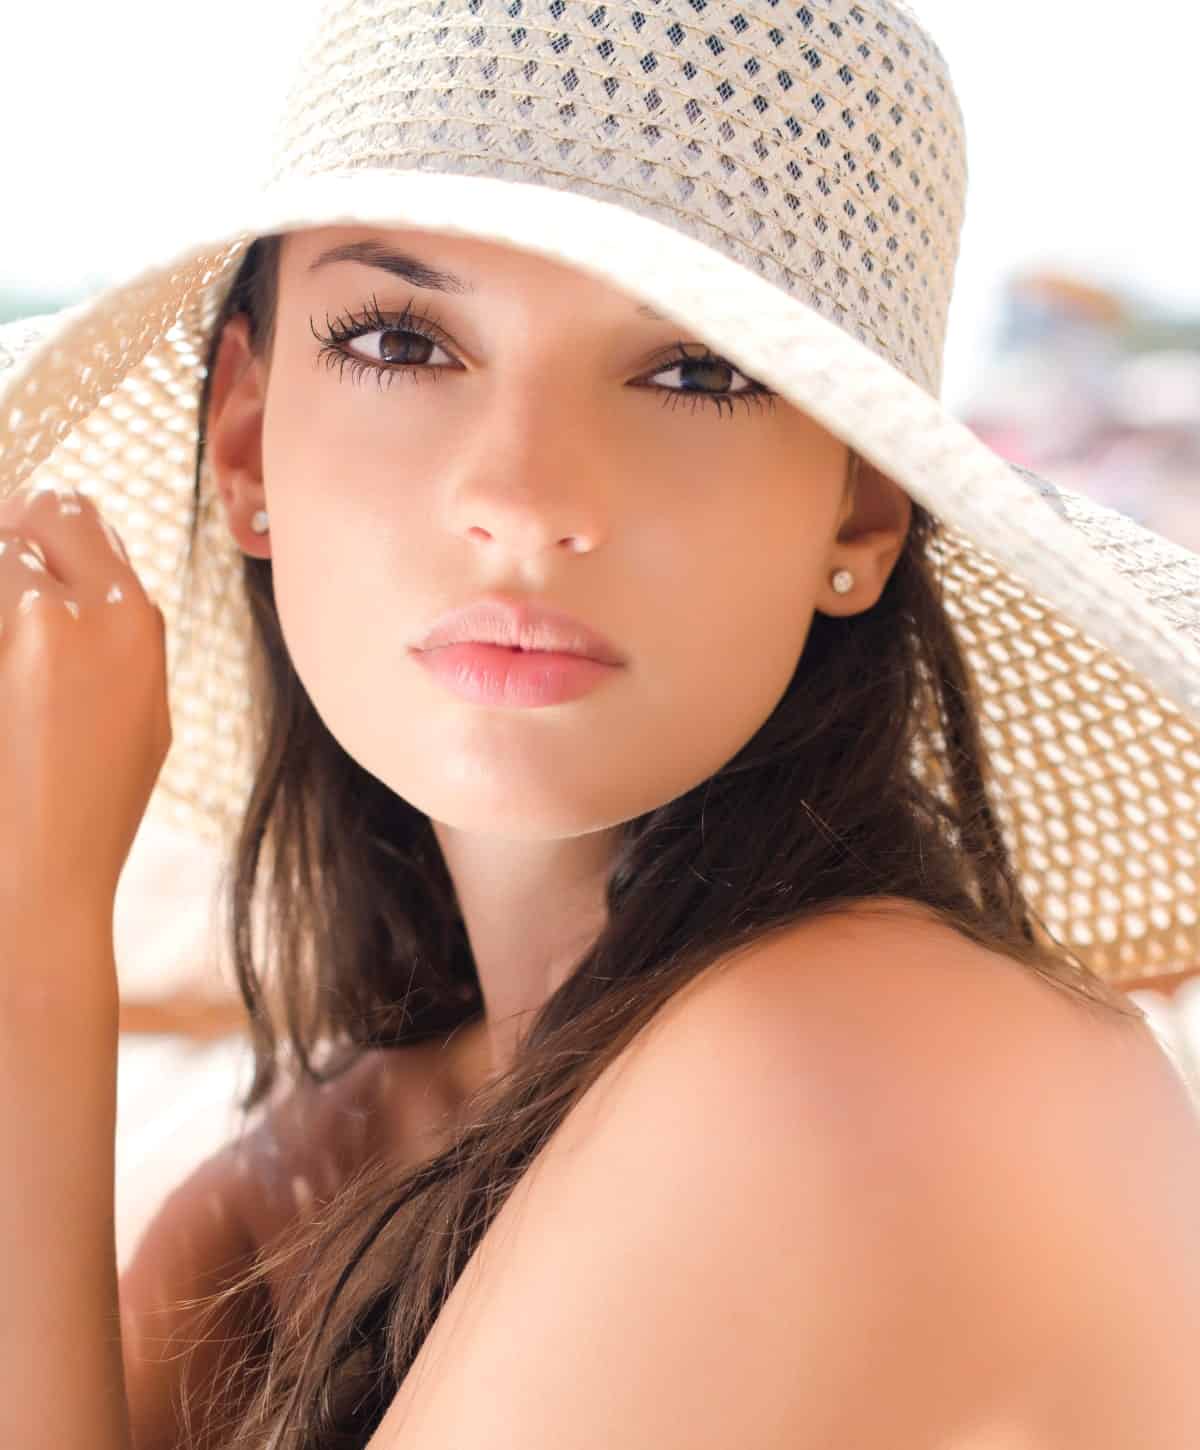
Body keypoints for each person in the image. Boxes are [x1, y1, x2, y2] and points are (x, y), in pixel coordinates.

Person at [2, 1, 1200, 1446]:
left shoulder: (871, 1065)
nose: (524, 500)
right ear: (248, 443)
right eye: (401, 339)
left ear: (861, 507)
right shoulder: (352, 1157)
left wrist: (32, 936)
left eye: (694, 370)